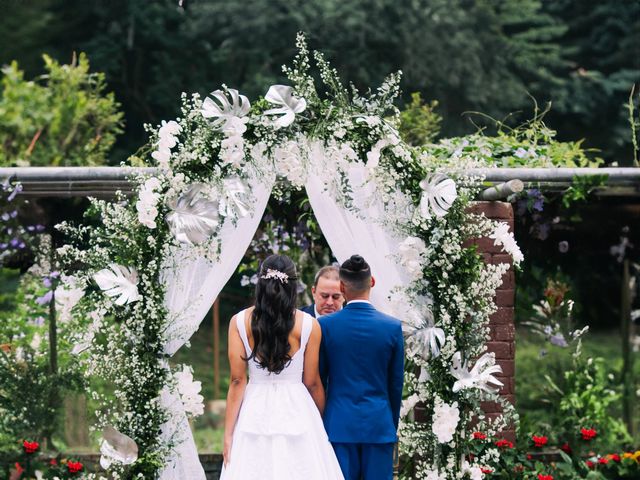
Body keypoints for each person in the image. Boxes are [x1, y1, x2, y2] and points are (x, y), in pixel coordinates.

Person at [220, 254, 344, 480]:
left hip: (255, 406)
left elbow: (237, 381)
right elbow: (312, 382)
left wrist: (228, 434)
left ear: (260, 282)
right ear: (294, 286)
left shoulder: (238, 322)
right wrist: (321, 420)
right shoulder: (309, 325)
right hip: (297, 406)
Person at [319, 255, 404, 480]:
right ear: (372, 282)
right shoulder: (392, 327)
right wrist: (389, 424)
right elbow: (396, 385)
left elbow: (319, 378)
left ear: (341, 287)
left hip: (338, 426)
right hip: (379, 426)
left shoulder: (325, 326)